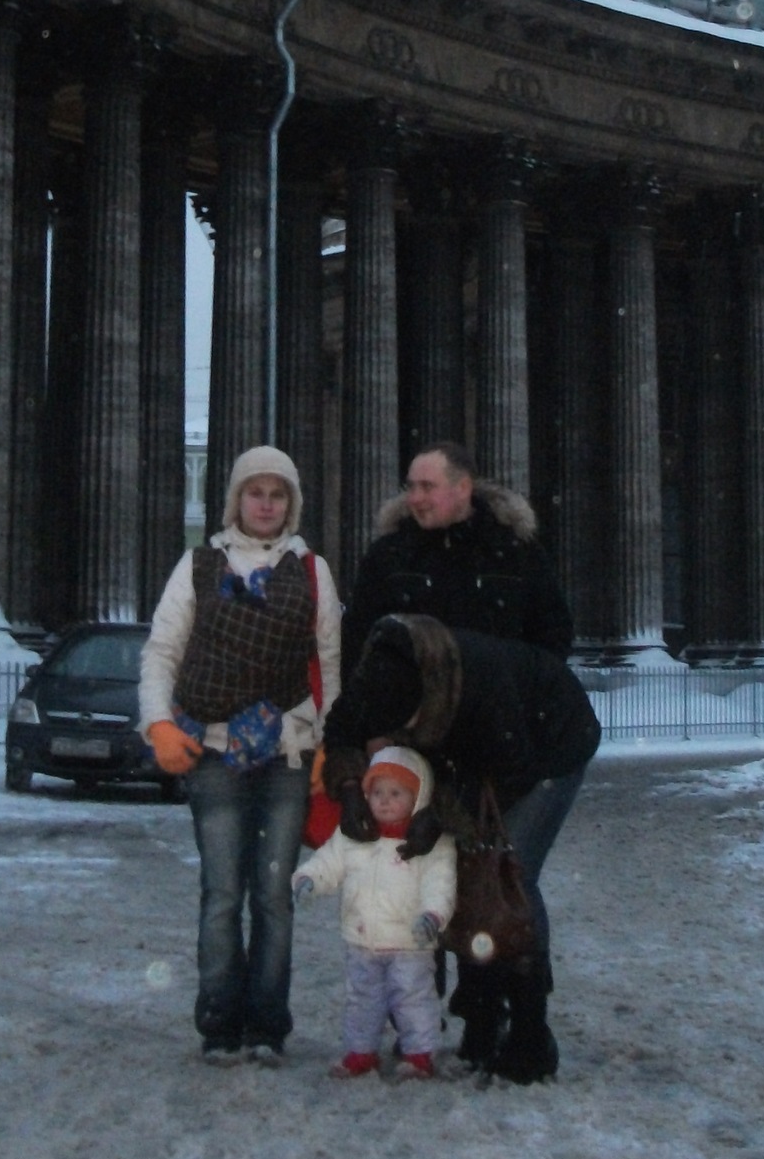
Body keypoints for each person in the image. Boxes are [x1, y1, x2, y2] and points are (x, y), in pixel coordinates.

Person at [323, 614, 600, 1084]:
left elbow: (510, 767)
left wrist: (440, 815)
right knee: (459, 875)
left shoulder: (481, 684)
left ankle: (531, 1030)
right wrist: (350, 786)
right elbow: (342, 729)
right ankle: (483, 1020)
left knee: (509, 874)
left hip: (553, 740)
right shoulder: (375, 679)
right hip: (489, 747)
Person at [139, 444, 341, 1063]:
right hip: (214, 749)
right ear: (235, 500)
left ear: (291, 504)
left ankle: (267, 1025)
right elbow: (163, 650)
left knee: (274, 897)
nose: (266, 504)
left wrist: (330, 742)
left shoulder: (313, 570)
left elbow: (329, 663)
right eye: (256, 492)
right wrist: (158, 723)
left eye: (278, 494)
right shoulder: (199, 563)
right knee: (223, 892)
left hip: (287, 754)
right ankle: (220, 1022)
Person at [292, 742, 457, 1080]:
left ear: (418, 797)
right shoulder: (355, 835)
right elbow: (329, 861)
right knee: (362, 1001)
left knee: (413, 999)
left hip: (410, 942)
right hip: (362, 939)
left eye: (396, 793)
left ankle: (420, 1053)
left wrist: (433, 915)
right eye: (377, 792)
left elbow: (440, 884)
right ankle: (360, 1051)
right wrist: (308, 878)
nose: (384, 801)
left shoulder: (429, 845)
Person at [342, 442, 573, 677]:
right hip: (411, 699)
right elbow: (357, 640)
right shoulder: (387, 555)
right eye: (411, 487)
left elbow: (553, 636)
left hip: (496, 698)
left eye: (427, 486)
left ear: (462, 488)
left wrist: (513, 684)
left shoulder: (518, 553)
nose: (415, 498)